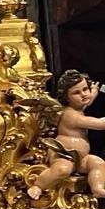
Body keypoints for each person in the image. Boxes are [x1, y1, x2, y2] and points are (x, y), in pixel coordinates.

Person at [27, 69, 105, 201]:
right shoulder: (70, 114)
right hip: (63, 154)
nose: (84, 94)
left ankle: (98, 188)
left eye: (85, 89)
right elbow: (100, 124)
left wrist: (95, 91)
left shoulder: (79, 107)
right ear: (66, 97)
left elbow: (88, 99)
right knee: (62, 169)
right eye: (76, 92)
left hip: (81, 158)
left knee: (98, 163)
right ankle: (38, 186)